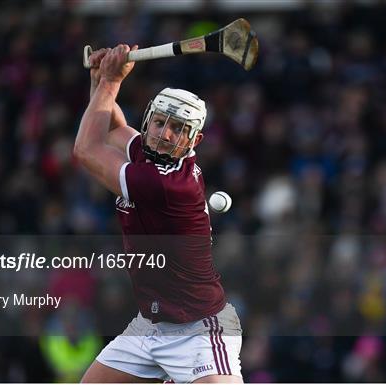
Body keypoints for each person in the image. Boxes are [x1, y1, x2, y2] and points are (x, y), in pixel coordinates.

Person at [74, 44, 242, 383]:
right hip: (148, 326)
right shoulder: (149, 156)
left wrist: (110, 81)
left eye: (178, 129)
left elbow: (86, 150)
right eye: (160, 123)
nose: (165, 134)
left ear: (194, 139)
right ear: (148, 121)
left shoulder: (166, 182)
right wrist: (100, 80)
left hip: (198, 329)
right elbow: (109, 127)